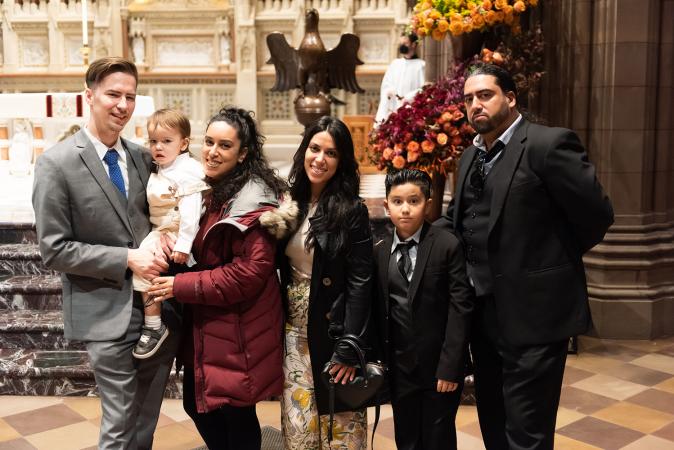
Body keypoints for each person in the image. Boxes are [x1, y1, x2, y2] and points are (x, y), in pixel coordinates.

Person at [437, 63, 614, 449]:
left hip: (536, 316)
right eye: (468, 99)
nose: (475, 105)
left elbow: (597, 214)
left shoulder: (547, 145)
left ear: (511, 97)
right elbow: (458, 220)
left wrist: (545, 265)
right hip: (483, 318)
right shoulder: (470, 157)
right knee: (494, 426)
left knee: (527, 435)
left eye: (485, 95)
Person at [32, 56, 180, 449]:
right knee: (118, 420)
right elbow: (54, 249)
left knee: (147, 418)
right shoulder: (56, 164)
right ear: (89, 96)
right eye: (113, 94)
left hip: (155, 309)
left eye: (130, 97)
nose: (122, 105)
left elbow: (166, 210)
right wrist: (126, 259)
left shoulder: (143, 157)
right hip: (103, 309)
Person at [148, 106, 288, 450]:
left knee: (235, 416)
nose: (212, 151)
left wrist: (180, 285)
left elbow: (249, 273)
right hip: (211, 322)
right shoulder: (208, 188)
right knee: (200, 406)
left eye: (224, 146)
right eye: (208, 142)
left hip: (240, 328)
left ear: (243, 153)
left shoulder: (253, 201)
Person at [279, 116, 373, 449]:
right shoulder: (288, 203)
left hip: (334, 332)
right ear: (304, 150)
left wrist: (350, 344)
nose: (319, 159)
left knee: (340, 431)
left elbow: (362, 282)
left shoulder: (351, 211)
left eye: (330, 153)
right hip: (294, 335)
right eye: (314, 148)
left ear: (341, 161)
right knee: (300, 429)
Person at [373, 169, 473, 450]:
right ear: (386, 205)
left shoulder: (446, 245)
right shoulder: (379, 251)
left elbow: (460, 308)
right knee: (406, 438)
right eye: (397, 201)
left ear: (427, 204)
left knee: (438, 438)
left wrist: (451, 366)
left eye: (414, 201)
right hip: (399, 367)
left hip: (438, 368)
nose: (405, 209)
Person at [131, 109, 209, 359]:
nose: (158, 147)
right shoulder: (162, 166)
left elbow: (191, 210)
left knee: (146, 264)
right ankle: (154, 323)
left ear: (184, 143)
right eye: (153, 141)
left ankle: (154, 326)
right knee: (145, 265)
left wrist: (184, 244)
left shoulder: (187, 169)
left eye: (166, 141)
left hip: (176, 230)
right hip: (161, 228)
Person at [374, 32, 425, 125]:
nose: (402, 46)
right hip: (393, 106)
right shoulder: (395, 64)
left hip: (411, 109)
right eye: (401, 43)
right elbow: (386, 83)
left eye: (405, 43)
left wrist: (408, 97)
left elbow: (424, 88)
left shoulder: (421, 65)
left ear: (414, 44)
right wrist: (390, 90)